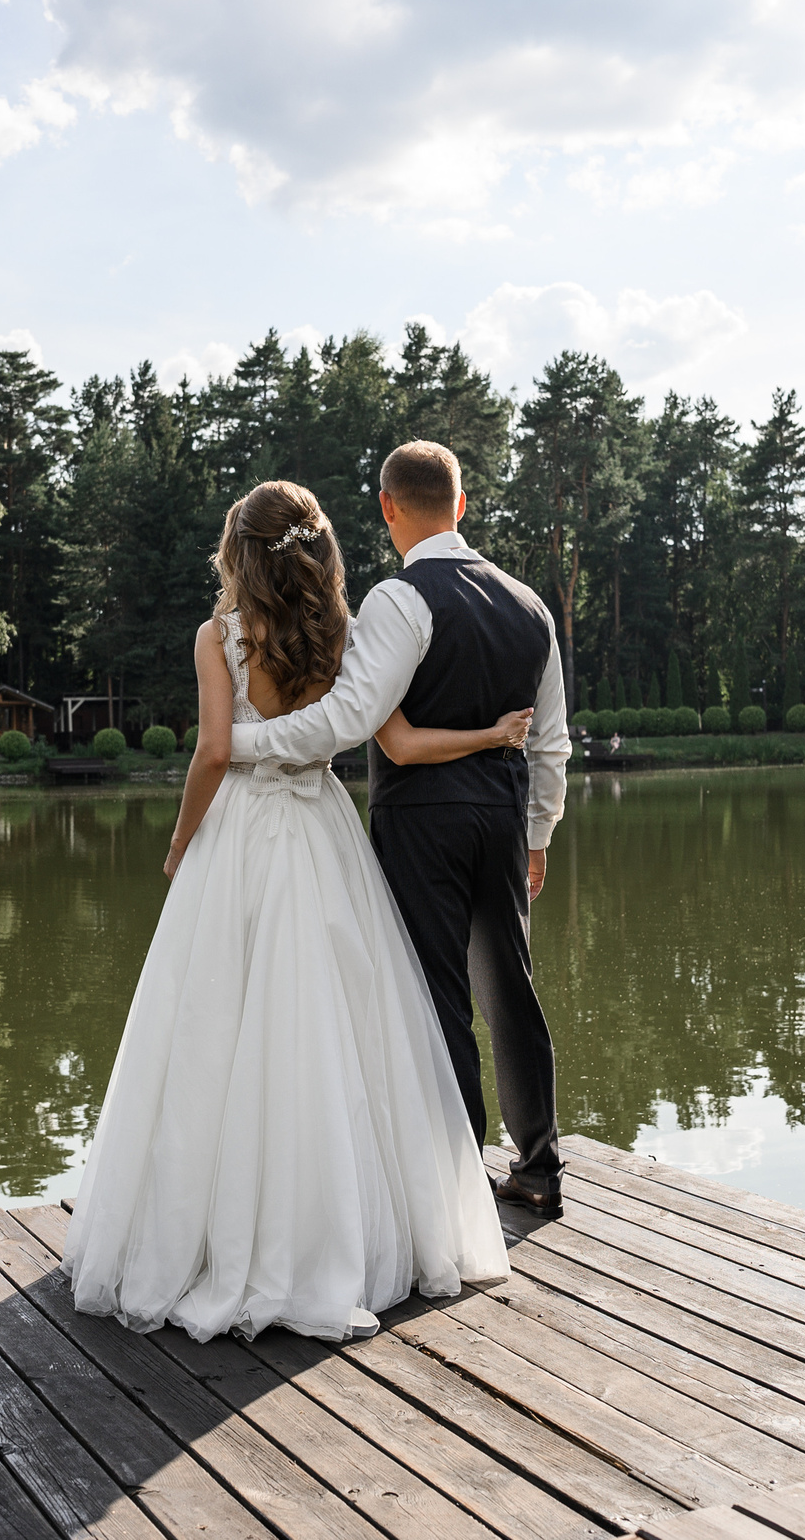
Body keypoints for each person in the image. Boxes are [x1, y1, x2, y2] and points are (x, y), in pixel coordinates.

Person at [64, 480, 519, 1343]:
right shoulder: (338, 632)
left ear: (239, 551)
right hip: (318, 828)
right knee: (334, 1024)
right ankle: (346, 1231)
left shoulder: (219, 636)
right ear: (313, 549)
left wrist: (176, 844)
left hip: (239, 831)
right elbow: (372, 731)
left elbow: (211, 752)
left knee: (213, 1028)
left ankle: (209, 1238)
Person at [234, 441, 572, 1217]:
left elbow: (351, 719)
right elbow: (551, 740)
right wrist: (539, 835)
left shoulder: (398, 599)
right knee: (511, 988)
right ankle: (540, 1166)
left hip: (423, 824)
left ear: (388, 508)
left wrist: (242, 746)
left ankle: (455, 1187)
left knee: (437, 997)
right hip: (502, 818)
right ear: (462, 504)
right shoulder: (532, 606)